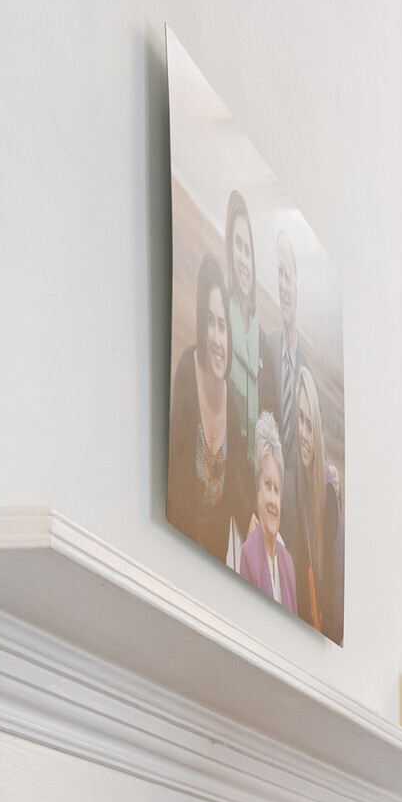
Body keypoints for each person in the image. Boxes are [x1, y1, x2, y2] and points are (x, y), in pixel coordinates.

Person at [164, 256, 239, 562]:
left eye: (222, 325)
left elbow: (237, 495)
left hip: (214, 570)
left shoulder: (233, 402)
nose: (217, 338)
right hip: (176, 558)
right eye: (210, 322)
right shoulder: (186, 371)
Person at [280, 364, 342, 640]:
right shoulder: (293, 481)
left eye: (309, 423)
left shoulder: (327, 492)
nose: (304, 434)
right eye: (299, 419)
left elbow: (332, 586)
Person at [235, 411, 296, 613]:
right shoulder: (248, 554)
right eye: (267, 485)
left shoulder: (288, 563)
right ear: (258, 490)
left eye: (276, 489)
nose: (272, 499)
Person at [223, 191, 263, 466]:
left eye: (248, 250)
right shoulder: (221, 321)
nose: (243, 259)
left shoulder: (263, 342)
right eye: (238, 246)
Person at [263, 233, 305, 460]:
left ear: (298, 292)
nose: (283, 285)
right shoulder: (265, 348)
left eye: (289, 277)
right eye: (280, 273)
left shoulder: (307, 376)